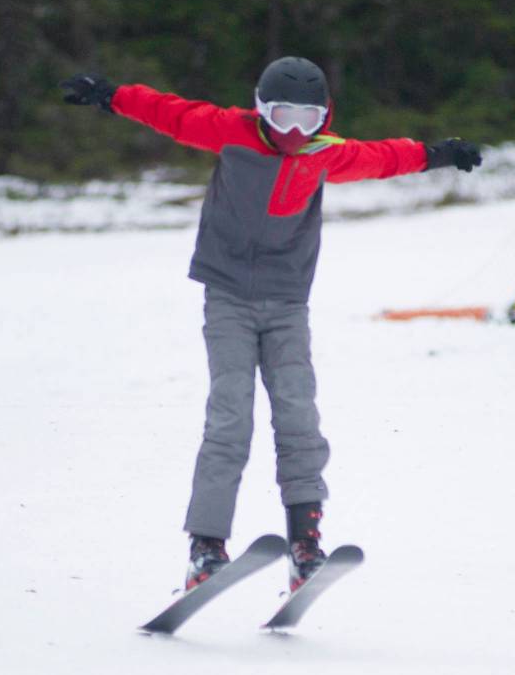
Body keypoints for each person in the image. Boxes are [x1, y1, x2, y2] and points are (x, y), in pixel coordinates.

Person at [61, 57, 482, 592]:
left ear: (323, 118)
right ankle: (206, 549)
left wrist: (439, 154)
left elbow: (384, 157)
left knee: (298, 414)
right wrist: (112, 95)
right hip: (229, 299)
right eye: (283, 116)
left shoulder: (324, 154)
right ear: (262, 109)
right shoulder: (230, 132)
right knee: (230, 416)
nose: (293, 131)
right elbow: (169, 112)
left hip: (287, 305)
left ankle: (305, 543)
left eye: (306, 119)